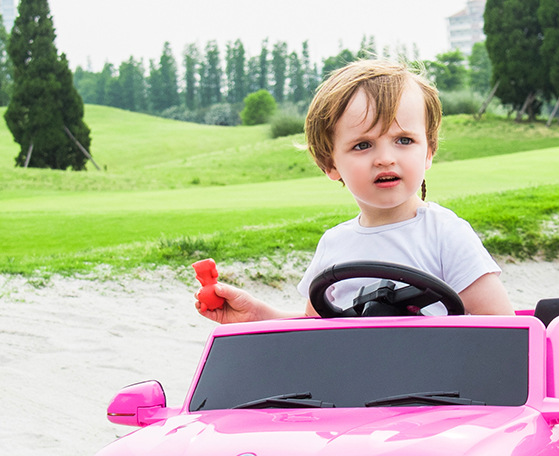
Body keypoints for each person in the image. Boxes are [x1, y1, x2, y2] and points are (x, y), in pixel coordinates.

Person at [195, 60, 514, 322]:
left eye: (404, 140)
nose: (385, 158)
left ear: (429, 151)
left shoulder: (445, 234)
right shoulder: (335, 245)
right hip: (352, 381)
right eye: (363, 145)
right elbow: (313, 326)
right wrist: (257, 314)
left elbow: (503, 328)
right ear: (329, 164)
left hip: (437, 379)